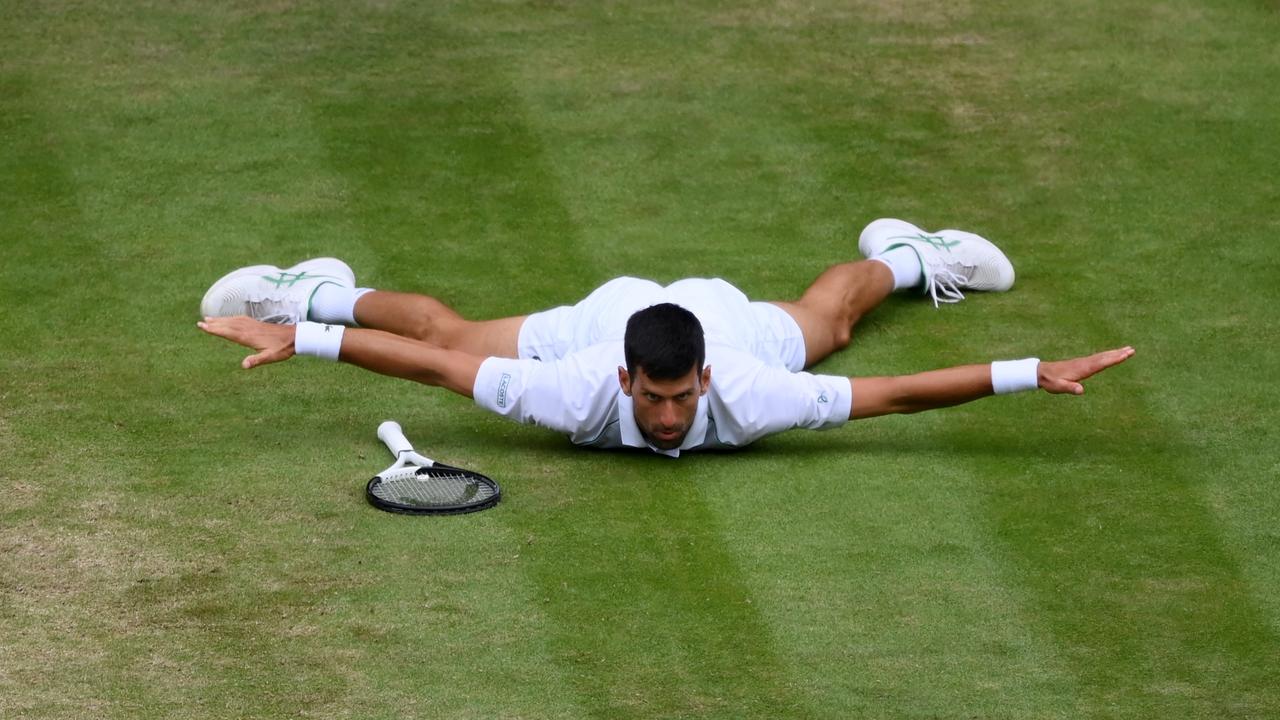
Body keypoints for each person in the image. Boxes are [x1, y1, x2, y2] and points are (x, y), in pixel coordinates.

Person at [197, 218, 1134, 456]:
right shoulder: (574, 384)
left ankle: (912, 252)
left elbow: (893, 395)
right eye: (657, 399)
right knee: (454, 327)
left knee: (838, 323)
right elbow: (436, 362)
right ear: (626, 381)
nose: (674, 415)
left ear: (705, 380)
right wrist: (309, 340)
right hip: (609, 312)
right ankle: (313, 291)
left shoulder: (752, 391)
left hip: (724, 317)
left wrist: (1027, 372)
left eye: (683, 398)